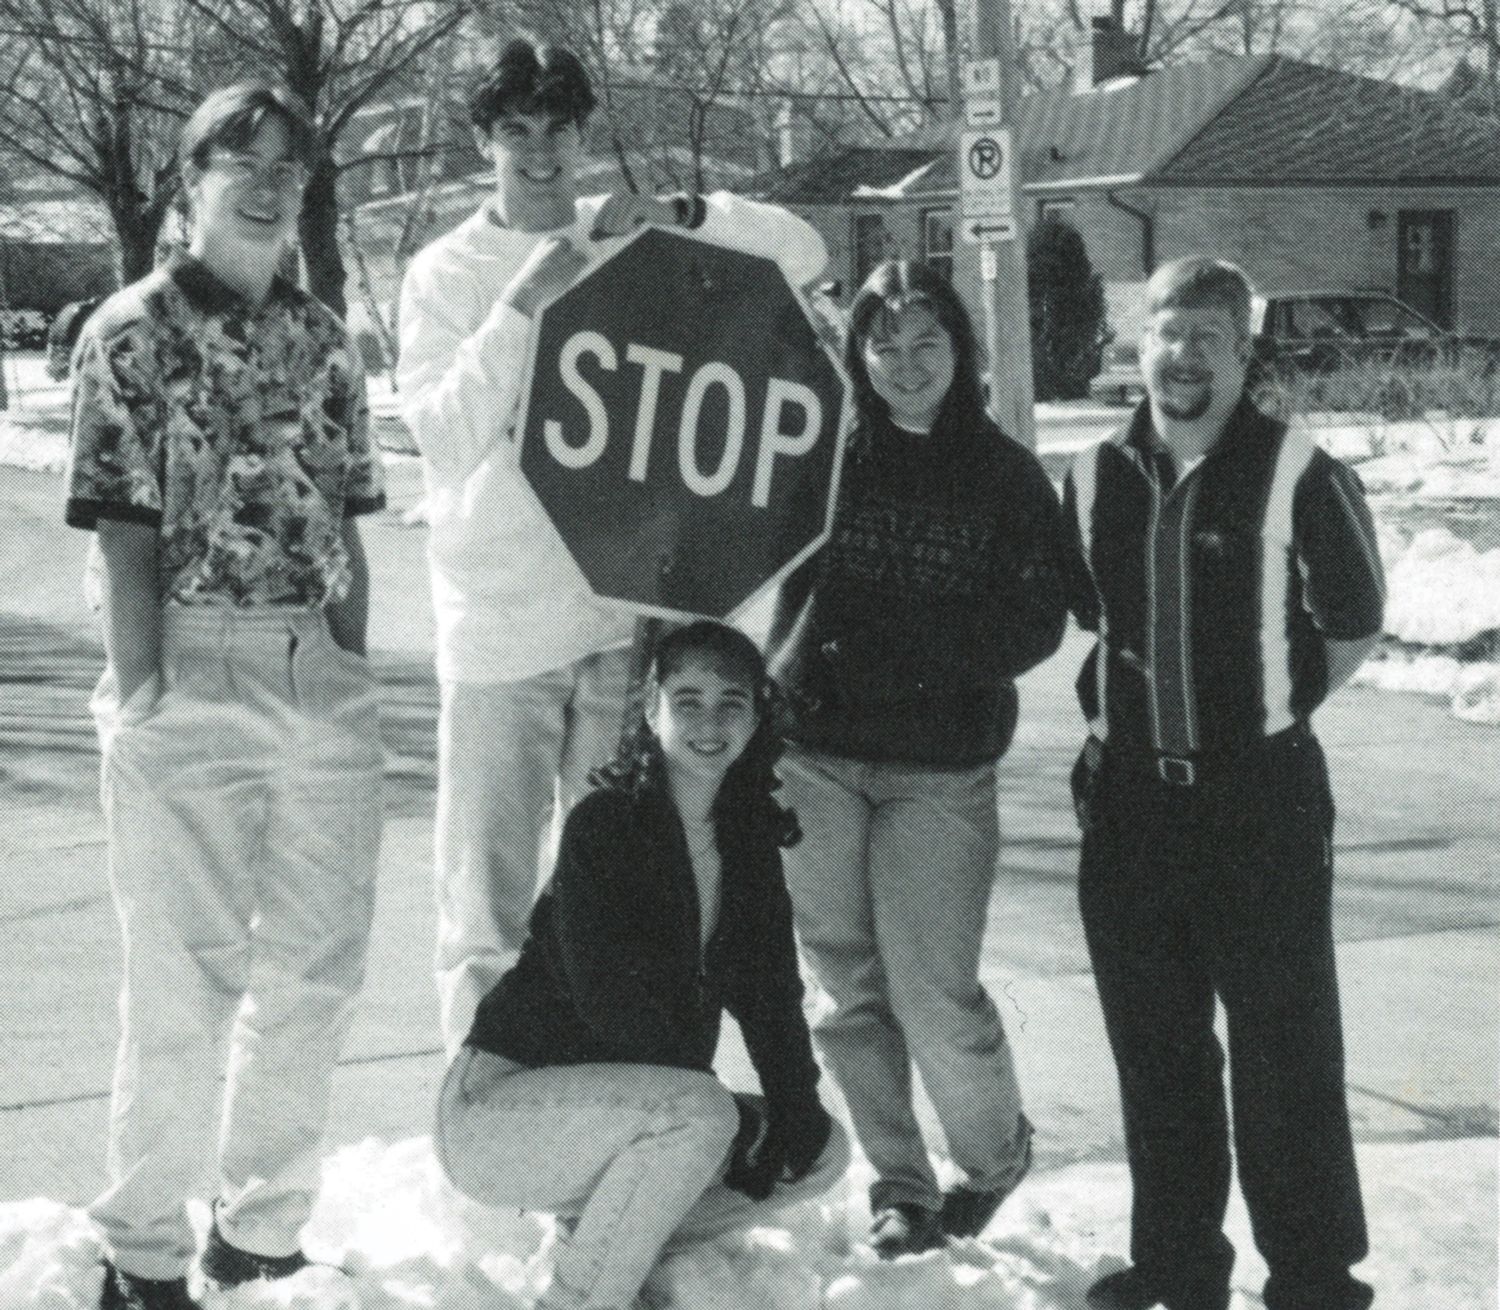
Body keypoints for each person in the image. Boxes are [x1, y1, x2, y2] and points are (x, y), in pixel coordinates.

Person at [396, 38, 830, 1056]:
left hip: (617, 628)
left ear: (584, 134)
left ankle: (602, 1100)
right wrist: (523, 304)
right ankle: (480, 1109)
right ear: (484, 140)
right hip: (497, 630)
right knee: (486, 902)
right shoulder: (444, 272)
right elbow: (444, 437)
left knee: (616, 898)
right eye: (516, 130)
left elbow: (803, 251)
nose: (539, 151)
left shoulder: (625, 240)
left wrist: (681, 213)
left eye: (559, 128)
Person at [63, 83, 385, 1310]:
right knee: (181, 983)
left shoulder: (324, 338)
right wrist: (146, 688)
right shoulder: (131, 331)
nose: (265, 186)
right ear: (190, 182)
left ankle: (261, 1229)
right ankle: (143, 1250)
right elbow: (121, 531)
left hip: (316, 669)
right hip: (189, 663)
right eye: (240, 163)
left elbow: (352, 512)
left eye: (287, 168)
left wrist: (349, 657)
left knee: (316, 971)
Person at [1062, 258, 1384, 1310]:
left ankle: (1315, 1277)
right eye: (1169, 330)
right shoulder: (1093, 474)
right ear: (1140, 343)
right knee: (1156, 1047)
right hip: (1131, 804)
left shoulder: (1299, 469)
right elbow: (1090, 619)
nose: (1185, 353)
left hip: (1260, 802)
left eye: (1209, 333)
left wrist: (1267, 715)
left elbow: (1353, 620)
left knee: (1285, 1048)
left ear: (1244, 352)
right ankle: (1179, 1263)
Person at [766, 259, 1069, 1257]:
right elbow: (752, 552)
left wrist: (920, 660)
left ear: (959, 349)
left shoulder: (1004, 474)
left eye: (926, 341)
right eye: (884, 344)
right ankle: (900, 1185)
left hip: (938, 768)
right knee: (847, 990)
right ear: (857, 354)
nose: (906, 363)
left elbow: (1039, 617)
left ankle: (992, 1154)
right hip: (815, 756)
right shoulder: (823, 452)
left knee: (932, 989)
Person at [436, 621, 849, 1310]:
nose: (709, 723)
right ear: (652, 711)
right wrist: (732, 1122)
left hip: (625, 1114)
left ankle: (601, 1246)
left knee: (821, 1151)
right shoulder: (606, 826)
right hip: (501, 1114)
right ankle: (579, 1298)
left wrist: (793, 1110)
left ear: (757, 716)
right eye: (688, 701)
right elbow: (612, 1008)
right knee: (702, 1116)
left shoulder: (747, 842)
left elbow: (773, 999)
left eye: (731, 702)